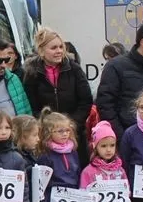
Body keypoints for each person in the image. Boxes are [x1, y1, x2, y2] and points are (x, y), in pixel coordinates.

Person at [22, 28, 93, 165]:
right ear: (42, 51)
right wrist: (46, 126)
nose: (59, 51)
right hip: (45, 134)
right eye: (54, 48)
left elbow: (85, 100)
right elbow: (31, 104)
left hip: (73, 132)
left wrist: (70, 125)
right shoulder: (31, 73)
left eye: (61, 47)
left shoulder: (74, 69)